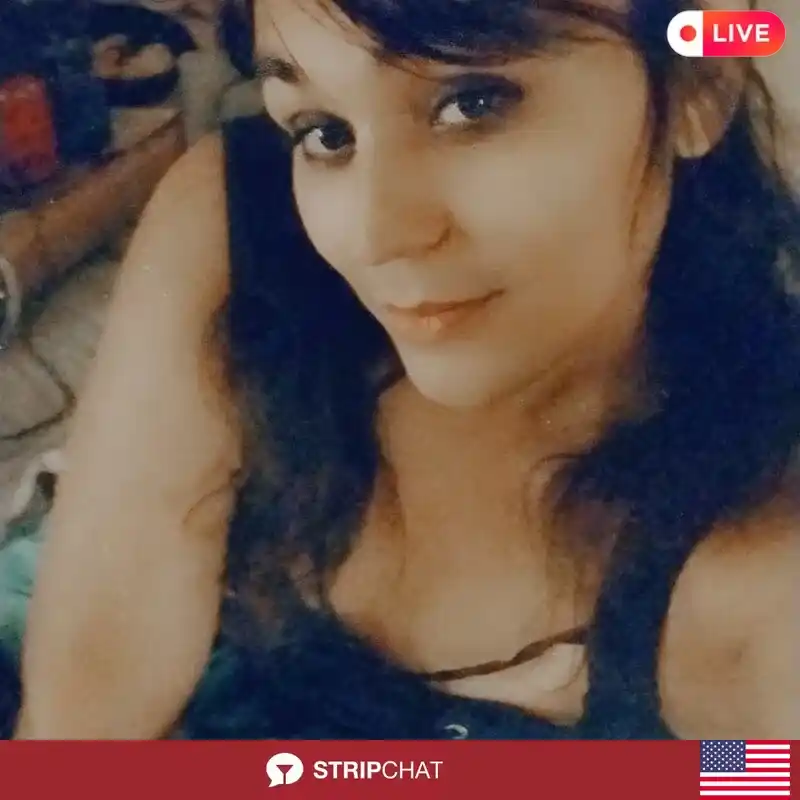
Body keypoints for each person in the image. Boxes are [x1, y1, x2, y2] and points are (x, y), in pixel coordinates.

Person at [10, 0, 800, 739]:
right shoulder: (242, 231)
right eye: (324, 132)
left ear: (698, 85)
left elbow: (745, 774)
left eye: (473, 103)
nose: (374, 233)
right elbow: (82, 722)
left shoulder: (759, 563)